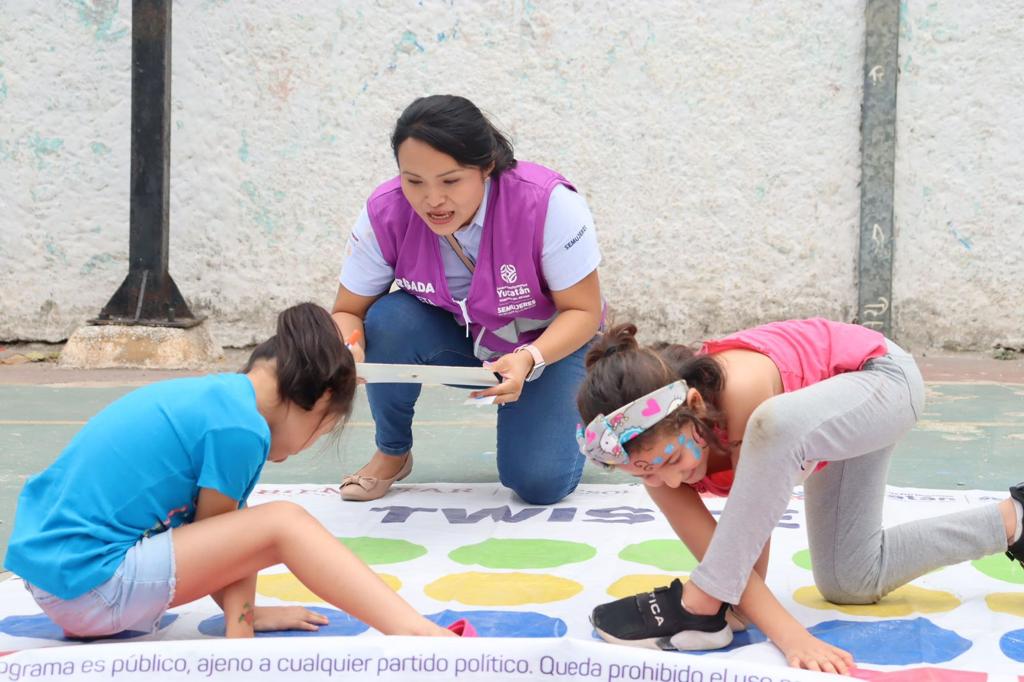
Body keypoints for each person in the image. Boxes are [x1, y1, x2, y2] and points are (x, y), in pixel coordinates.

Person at [575, 318, 1024, 674]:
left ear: (693, 406)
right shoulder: (655, 463)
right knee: (851, 581)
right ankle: (1013, 519)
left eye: (671, 461)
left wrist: (790, 636)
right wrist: (738, 607)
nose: (668, 483)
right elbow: (735, 565)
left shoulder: (743, 395)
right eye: (642, 472)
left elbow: (736, 568)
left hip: (880, 383)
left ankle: (696, 606)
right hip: (824, 434)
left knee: (773, 424)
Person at [3, 303, 454, 640]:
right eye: (322, 431)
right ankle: (413, 631)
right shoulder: (241, 428)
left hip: (61, 585)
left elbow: (228, 541)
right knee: (284, 522)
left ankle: (250, 622)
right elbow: (233, 539)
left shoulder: (222, 400)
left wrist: (247, 614)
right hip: (92, 589)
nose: (306, 447)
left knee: (256, 525)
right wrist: (241, 636)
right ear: (318, 402)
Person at [332, 94, 604, 504]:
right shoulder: (385, 212)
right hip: (470, 345)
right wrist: (348, 348)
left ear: (486, 167)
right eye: (414, 181)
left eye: (451, 180)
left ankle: (575, 401)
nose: (433, 200)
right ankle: (392, 452)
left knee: (539, 483)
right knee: (387, 320)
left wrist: (530, 358)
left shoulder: (548, 204)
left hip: (548, 349)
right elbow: (348, 311)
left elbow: (583, 311)